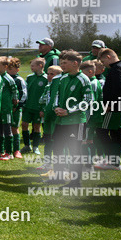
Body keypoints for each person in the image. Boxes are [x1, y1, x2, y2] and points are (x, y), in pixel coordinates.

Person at [50, 50, 91, 186]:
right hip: (60, 120)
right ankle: (59, 176)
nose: (62, 66)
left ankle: (75, 181)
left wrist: (69, 111)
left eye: (65, 63)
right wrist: (56, 107)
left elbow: (87, 101)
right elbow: (56, 95)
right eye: (61, 63)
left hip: (76, 122)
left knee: (75, 151)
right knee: (57, 148)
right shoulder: (63, 78)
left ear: (75, 63)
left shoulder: (83, 79)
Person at [94, 48, 121, 170]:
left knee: (102, 130)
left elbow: (118, 88)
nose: (103, 64)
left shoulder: (116, 68)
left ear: (109, 57)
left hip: (114, 107)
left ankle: (112, 161)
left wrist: (111, 104)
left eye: (103, 60)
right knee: (116, 133)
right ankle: (114, 161)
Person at [20, 58, 48, 155]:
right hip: (28, 106)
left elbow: (47, 95)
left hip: (38, 108)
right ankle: (27, 145)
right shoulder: (29, 77)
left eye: (33, 65)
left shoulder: (46, 78)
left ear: (40, 66)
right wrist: (23, 104)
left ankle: (35, 147)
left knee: (37, 126)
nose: (31, 67)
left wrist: (43, 108)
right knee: (24, 124)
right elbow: (25, 91)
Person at [0, 56, 17, 160]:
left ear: (5, 66)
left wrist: (15, 101)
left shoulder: (8, 78)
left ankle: (9, 153)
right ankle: (0, 150)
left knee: (7, 129)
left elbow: (14, 90)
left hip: (6, 108)